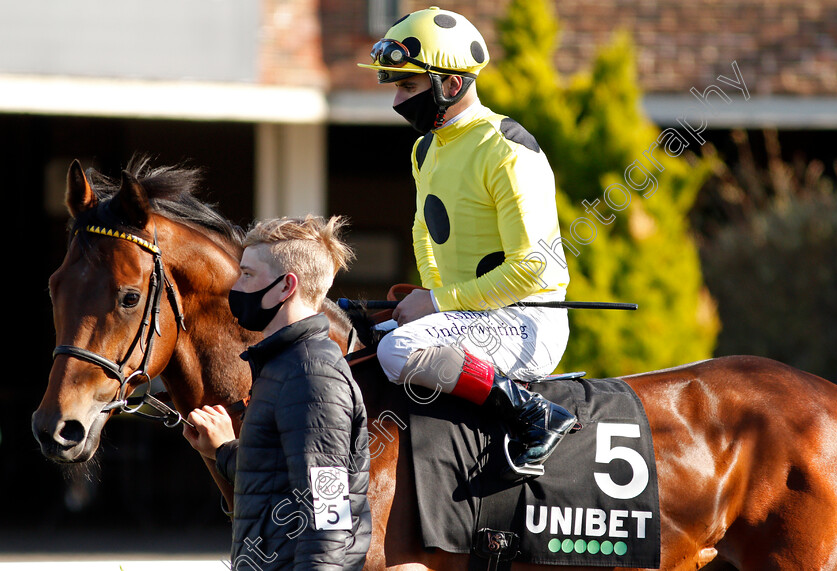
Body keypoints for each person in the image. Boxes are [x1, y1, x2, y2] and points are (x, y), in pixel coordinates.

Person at [358, 7, 576, 477]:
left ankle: (535, 415)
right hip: (469, 317)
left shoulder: (507, 149)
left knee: (398, 351)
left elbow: (531, 269)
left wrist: (437, 303)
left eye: (408, 87)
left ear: (451, 85)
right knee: (364, 342)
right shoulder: (426, 148)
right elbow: (425, 234)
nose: (397, 100)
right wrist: (433, 298)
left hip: (526, 322)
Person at [182, 215, 371, 570]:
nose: (236, 286)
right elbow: (278, 479)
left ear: (286, 286)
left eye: (248, 275)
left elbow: (328, 516)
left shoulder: (312, 376)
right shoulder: (282, 365)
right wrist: (223, 451)